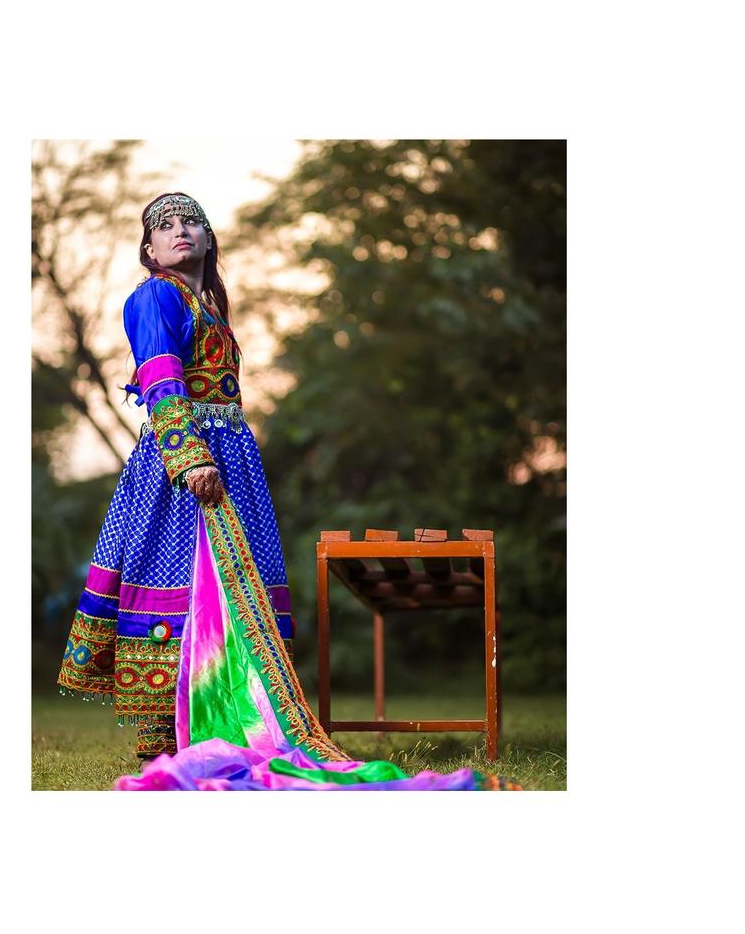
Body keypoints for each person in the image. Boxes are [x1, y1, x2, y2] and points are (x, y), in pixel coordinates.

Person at [58, 192, 519, 790]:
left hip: (230, 457)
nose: (179, 231)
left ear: (209, 238)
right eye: (163, 226)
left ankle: (220, 721)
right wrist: (189, 457)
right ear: (149, 250)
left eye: (191, 221)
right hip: (185, 463)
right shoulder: (155, 297)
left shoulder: (211, 307)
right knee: (183, 584)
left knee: (235, 590)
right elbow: (160, 378)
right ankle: (162, 738)